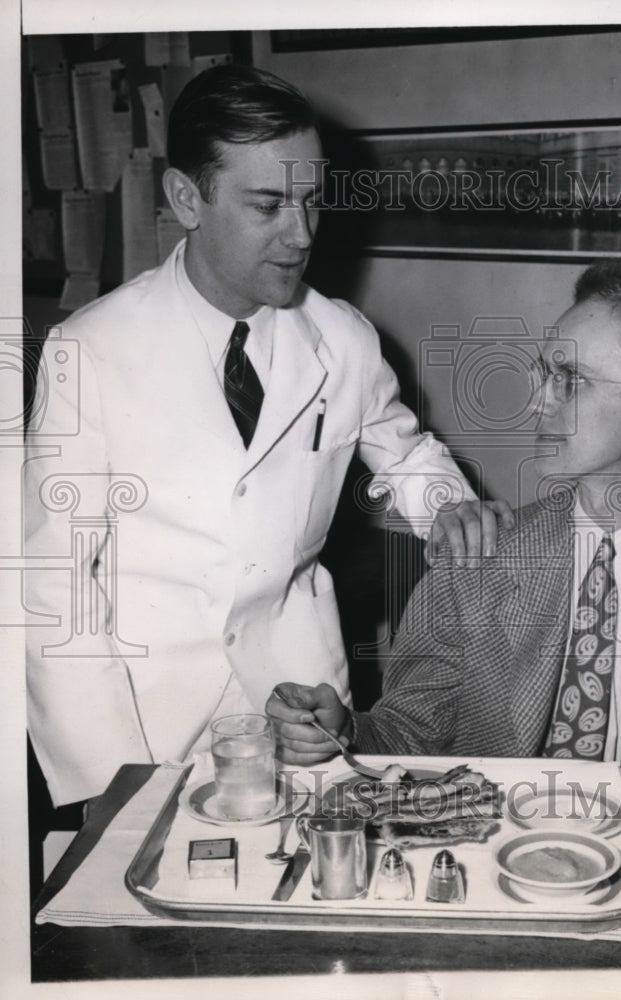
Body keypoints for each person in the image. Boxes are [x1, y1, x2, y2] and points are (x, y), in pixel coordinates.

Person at [24, 65, 511, 807]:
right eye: (269, 205)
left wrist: (445, 504)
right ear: (188, 198)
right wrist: (109, 780)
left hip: (303, 710)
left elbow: (405, 452)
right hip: (146, 725)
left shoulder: (343, 338)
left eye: (313, 202)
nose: (303, 234)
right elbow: (51, 582)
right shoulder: (89, 351)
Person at [269, 261, 621, 782]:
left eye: (572, 379)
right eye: (546, 372)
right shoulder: (478, 553)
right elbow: (409, 737)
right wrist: (342, 730)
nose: (539, 399)